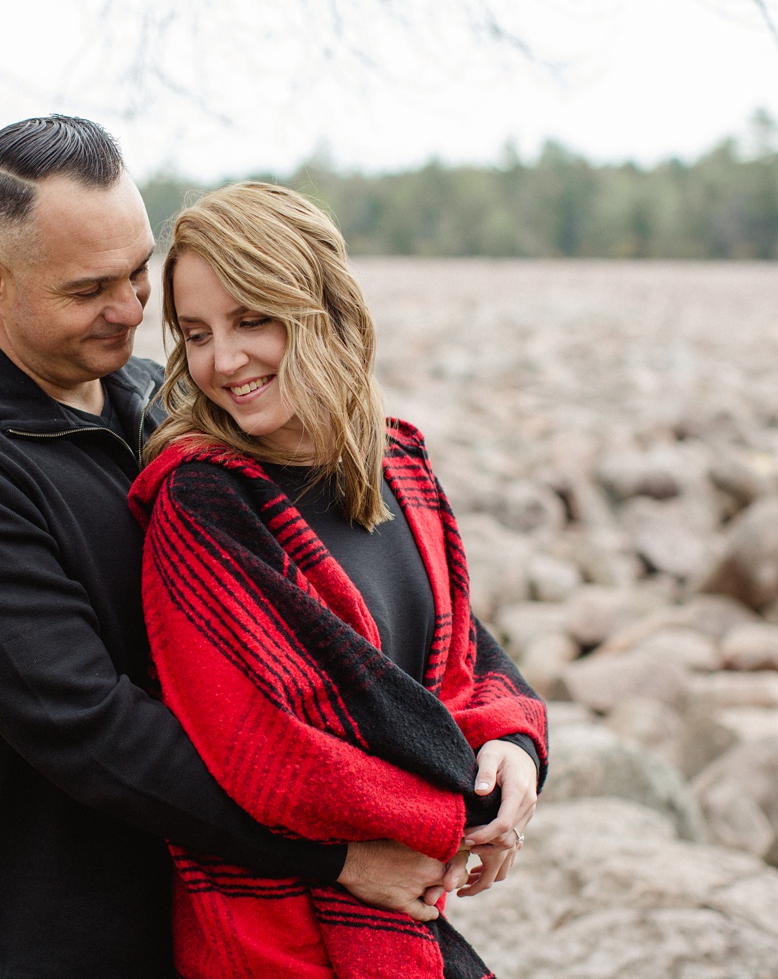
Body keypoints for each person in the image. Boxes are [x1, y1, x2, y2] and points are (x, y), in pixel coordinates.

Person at [0, 116, 501, 979]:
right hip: (48, 942)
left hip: (217, 918)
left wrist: (513, 738)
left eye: (137, 273)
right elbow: (96, 731)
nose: (131, 312)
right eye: (90, 290)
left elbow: (364, 599)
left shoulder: (158, 404)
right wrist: (341, 857)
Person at [127, 181, 549, 978]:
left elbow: (460, 652)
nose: (222, 360)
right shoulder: (203, 503)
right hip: (277, 938)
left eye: (252, 319)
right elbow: (286, 757)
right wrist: (474, 810)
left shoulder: (398, 466)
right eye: (196, 332)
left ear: (323, 307)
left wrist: (517, 747)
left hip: (401, 916)